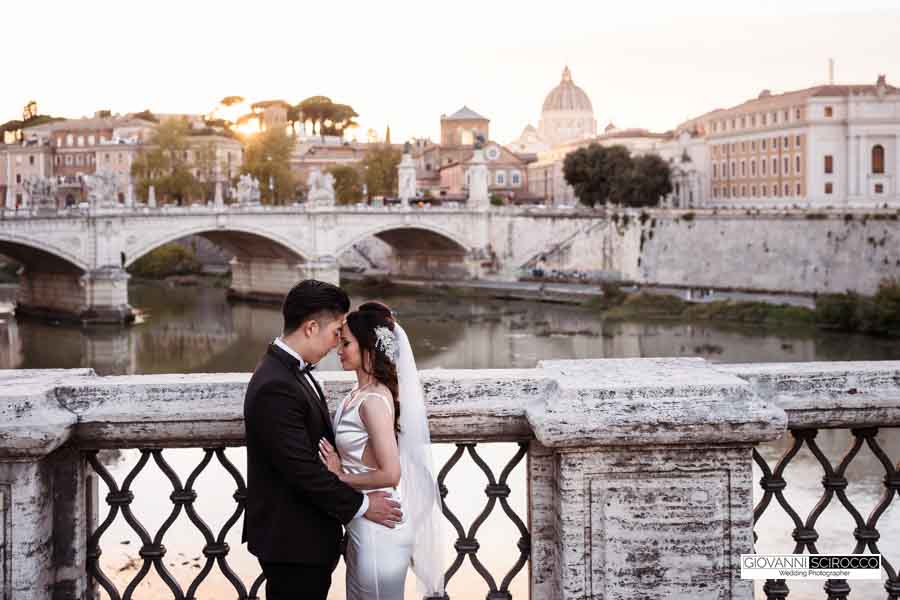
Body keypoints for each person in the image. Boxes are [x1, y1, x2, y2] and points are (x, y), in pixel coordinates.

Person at [243, 280, 403, 600]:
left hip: (310, 537)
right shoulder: (277, 384)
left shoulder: (292, 372)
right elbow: (301, 470)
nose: (336, 343)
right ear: (311, 327)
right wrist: (362, 505)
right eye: (336, 332)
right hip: (293, 542)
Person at [319, 301, 445, 599]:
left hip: (380, 528)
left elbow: (391, 474)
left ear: (368, 349)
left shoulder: (374, 401)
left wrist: (338, 477)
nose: (339, 350)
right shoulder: (356, 394)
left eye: (346, 343)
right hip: (362, 525)